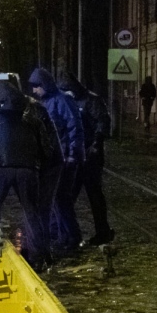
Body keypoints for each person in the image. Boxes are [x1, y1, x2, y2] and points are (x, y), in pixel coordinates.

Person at [0, 82, 51, 268]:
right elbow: (46, 148)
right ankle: (38, 257)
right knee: (32, 212)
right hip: (27, 169)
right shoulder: (32, 120)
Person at [27, 68, 85, 256]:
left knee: (61, 199)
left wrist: (72, 154)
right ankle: (64, 236)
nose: (34, 90)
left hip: (65, 159)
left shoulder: (62, 101)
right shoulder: (48, 102)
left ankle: (71, 236)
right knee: (58, 199)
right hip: (55, 159)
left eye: (37, 86)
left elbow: (74, 128)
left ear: (45, 85)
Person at [57, 71, 114, 247]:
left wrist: (96, 144)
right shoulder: (68, 101)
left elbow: (102, 122)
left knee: (94, 195)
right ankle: (66, 233)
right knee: (67, 196)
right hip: (75, 154)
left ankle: (102, 232)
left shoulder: (91, 100)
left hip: (90, 156)